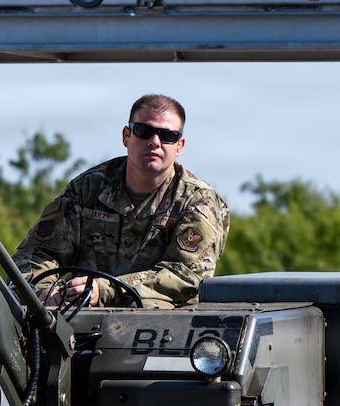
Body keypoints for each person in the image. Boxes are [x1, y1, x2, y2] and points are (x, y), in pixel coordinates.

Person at [13, 94, 229, 309]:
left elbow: (186, 277)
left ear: (179, 146)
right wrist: (45, 291)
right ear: (126, 136)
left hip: (163, 332)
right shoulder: (88, 189)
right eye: (144, 131)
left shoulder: (198, 203)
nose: (154, 142)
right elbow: (35, 254)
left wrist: (104, 291)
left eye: (167, 136)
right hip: (80, 325)